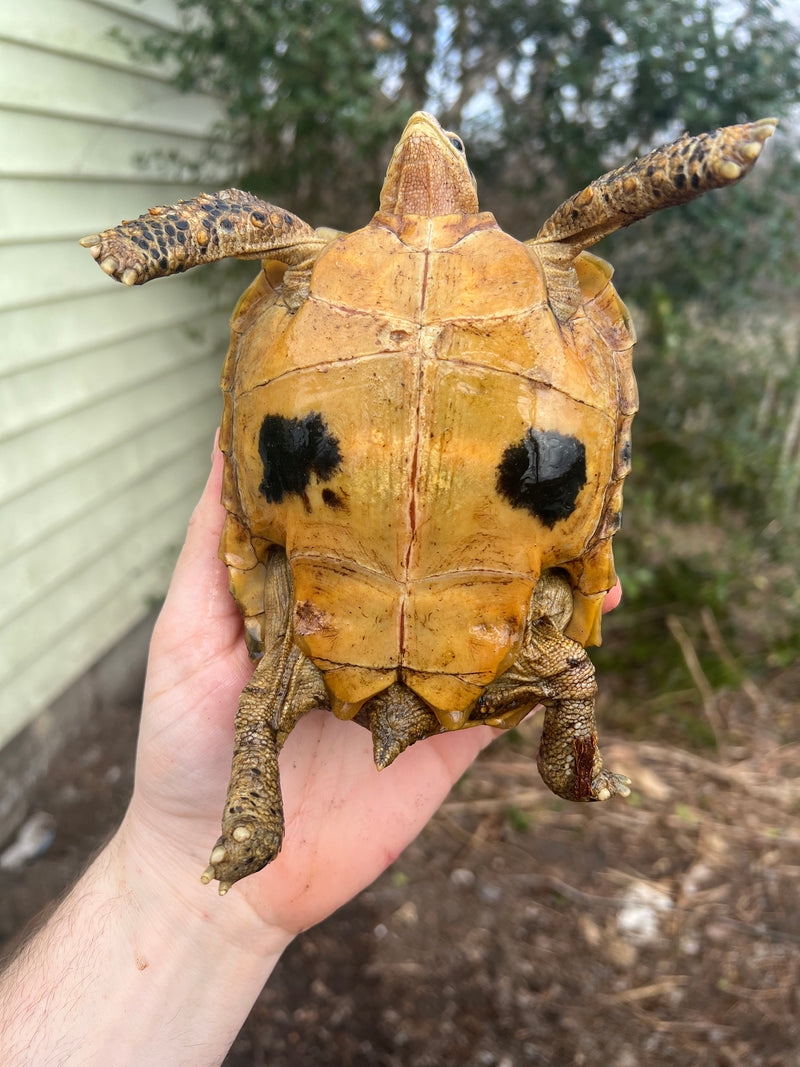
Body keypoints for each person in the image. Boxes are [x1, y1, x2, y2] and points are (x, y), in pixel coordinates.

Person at [0, 439, 621, 1065]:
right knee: (570, 674)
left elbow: (570, 676)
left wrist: (178, 884)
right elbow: (572, 668)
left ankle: (249, 825)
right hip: (483, 606)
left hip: (319, 598)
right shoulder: (529, 652)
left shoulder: (294, 658)